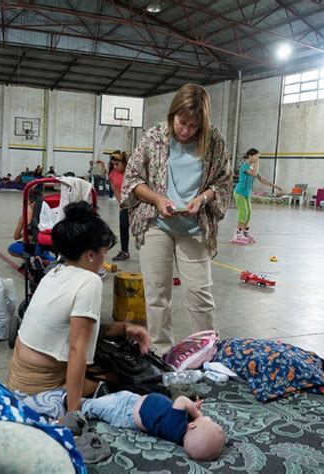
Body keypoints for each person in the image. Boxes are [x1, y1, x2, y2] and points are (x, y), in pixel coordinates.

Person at [121, 83, 233, 356]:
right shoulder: (155, 136)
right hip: (156, 224)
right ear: (173, 114)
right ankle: (161, 353)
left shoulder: (214, 140)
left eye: (194, 126)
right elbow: (133, 178)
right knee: (157, 296)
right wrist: (158, 200)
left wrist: (202, 199)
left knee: (199, 295)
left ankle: (206, 351)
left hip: (194, 228)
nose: (186, 131)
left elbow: (223, 181)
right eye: (182, 122)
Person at [8, 201, 151, 412]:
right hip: (40, 392)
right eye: (104, 252)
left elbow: (77, 328)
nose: (105, 259)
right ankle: (69, 402)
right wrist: (73, 413)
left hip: (17, 383)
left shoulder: (55, 272)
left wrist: (126, 328)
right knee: (118, 374)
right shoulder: (88, 281)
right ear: (91, 255)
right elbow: (77, 350)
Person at [82, 391, 225, 461]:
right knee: (104, 402)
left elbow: (181, 400)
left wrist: (197, 414)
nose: (207, 418)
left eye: (208, 421)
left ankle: (66, 401)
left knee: (92, 406)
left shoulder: (177, 426)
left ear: (193, 425)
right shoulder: (180, 432)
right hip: (131, 405)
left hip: (124, 410)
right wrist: (194, 408)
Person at [231, 148, 283, 244]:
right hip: (240, 192)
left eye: (258, 157)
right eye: (256, 156)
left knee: (248, 214)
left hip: (247, 193)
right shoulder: (245, 166)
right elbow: (254, 173)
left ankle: (245, 233)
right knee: (243, 213)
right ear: (250, 155)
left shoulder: (251, 167)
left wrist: (274, 186)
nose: (258, 158)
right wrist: (257, 163)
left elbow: (261, 179)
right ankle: (237, 235)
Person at [7, 188, 55, 267]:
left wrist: (24, 233)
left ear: (29, 202)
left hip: (28, 247)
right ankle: (42, 260)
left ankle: (30, 259)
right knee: (53, 258)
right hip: (44, 248)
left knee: (11, 249)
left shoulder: (24, 216)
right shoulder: (48, 214)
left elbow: (16, 237)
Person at [109, 150, 130, 261]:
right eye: (113, 164)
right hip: (124, 205)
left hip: (136, 204)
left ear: (125, 163)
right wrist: (120, 201)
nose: (115, 166)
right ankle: (124, 251)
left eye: (117, 164)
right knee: (123, 226)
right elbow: (114, 188)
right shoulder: (112, 173)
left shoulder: (131, 173)